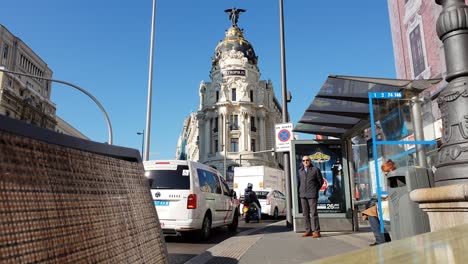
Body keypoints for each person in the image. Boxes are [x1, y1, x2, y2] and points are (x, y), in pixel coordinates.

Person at [362, 159, 395, 246]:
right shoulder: (391, 176)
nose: (384, 173)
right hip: (389, 201)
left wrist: (383, 197)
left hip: (392, 202)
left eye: (385, 171)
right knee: (371, 210)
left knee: (371, 213)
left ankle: (381, 239)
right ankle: (384, 238)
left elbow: (392, 193)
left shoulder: (393, 177)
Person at [298, 156, 324, 238]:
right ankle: (308, 230)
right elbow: (299, 182)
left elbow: (321, 182)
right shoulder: (300, 171)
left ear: (310, 161)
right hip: (303, 195)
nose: (305, 162)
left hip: (312, 195)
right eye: (304, 160)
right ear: (302, 162)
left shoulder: (315, 170)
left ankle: (316, 231)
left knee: (313, 213)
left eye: (307, 160)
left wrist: (315, 189)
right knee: (305, 214)